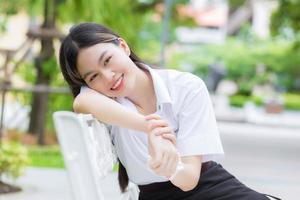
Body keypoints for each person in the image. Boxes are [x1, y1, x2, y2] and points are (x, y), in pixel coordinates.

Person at [59, 22, 279, 200]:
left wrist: (168, 166)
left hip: (210, 187)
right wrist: (150, 128)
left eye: (107, 60)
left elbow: (189, 179)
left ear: (123, 47)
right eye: (93, 76)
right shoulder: (106, 103)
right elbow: (82, 101)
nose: (108, 76)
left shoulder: (186, 87)